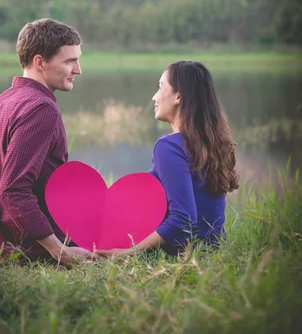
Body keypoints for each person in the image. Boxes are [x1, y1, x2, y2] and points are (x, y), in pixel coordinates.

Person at [0, 18, 95, 265]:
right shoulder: (41, 109)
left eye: (78, 59)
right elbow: (13, 188)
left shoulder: (0, 102)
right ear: (39, 62)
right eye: (69, 61)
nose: (78, 69)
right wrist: (59, 250)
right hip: (29, 254)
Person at [98, 60, 239, 258]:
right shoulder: (212, 142)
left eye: (160, 87)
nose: (154, 97)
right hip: (211, 250)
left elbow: (183, 218)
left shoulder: (169, 147)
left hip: (181, 253)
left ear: (178, 96)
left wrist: (128, 253)